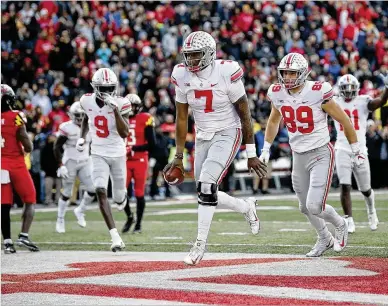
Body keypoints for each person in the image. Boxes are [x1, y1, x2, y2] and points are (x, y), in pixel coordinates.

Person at [164, 31, 267, 266]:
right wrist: (179, 157)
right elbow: (181, 118)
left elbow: (245, 115)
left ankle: (200, 244)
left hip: (228, 132)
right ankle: (245, 207)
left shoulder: (226, 72)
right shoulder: (181, 75)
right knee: (204, 192)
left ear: (210, 53)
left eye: (196, 55)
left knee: (208, 184)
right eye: (188, 56)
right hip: (203, 136)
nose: (191, 61)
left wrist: (251, 154)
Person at [260, 53, 365, 257]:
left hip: (320, 153)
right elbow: (273, 121)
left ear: (303, 73)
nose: (288, 77)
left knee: (314, 205)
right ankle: (324, 238)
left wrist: (356, 149)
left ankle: (340, 223)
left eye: (292, 73)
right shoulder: (277, 93)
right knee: (304, 207)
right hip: (298, 155)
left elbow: (344, 121)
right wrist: (265, 148)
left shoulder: (318, 92)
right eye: (285, 73)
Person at [76, 68, 132, 252]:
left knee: (118, 196)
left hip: (117, 153)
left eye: (110, 88)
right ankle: (115, 237)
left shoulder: (122, 103)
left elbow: (124, 132)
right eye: (103, 88)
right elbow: (86, 118)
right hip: (98, 152)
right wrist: (82, 137)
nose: (107, 92)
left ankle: (121, 198)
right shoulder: (86, 100)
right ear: (96, 87)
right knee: (100, 190)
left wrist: (114, 109)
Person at [333, 74, 388, 232]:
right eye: (345, 89)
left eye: (351, 89)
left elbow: (381, 102)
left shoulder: (363, 101)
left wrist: (387, 88)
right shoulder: (335, 102)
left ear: (356, 89)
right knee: (345, 185)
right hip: (342, 148)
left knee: (365, 188)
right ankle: (349, 219)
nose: (348, 92)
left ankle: (372, 211)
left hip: (360, 149)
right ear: (340, 89)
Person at [1, 84, 39, 253]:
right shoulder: (16, 116)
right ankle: (23, 235)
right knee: (30, 198)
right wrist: (28, 147)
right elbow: (27, 144)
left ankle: (8, 242)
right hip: (16, 163)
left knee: (4, 204)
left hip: (0, 165)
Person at [54, 101, 96, 233]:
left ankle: (80, 210)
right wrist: (61, 165)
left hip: (85, 161)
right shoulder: (67, 127)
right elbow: (56, 147)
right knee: (66, 192)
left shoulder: (91, 125)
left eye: (82, 115)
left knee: (93, 188)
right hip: (70, 161)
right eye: (77, 115)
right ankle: (60, 219)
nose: (79, 118)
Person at [122, 93, 156, 234]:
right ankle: (130, 217)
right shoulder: (119, 119)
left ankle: (138, 224)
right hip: (124, 160)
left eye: (133, 106)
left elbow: (152, 144)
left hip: (140, 160)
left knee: (139, 193)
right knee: (121, 193)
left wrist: (133, 148)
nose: (131, 109)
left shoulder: (145, 118)